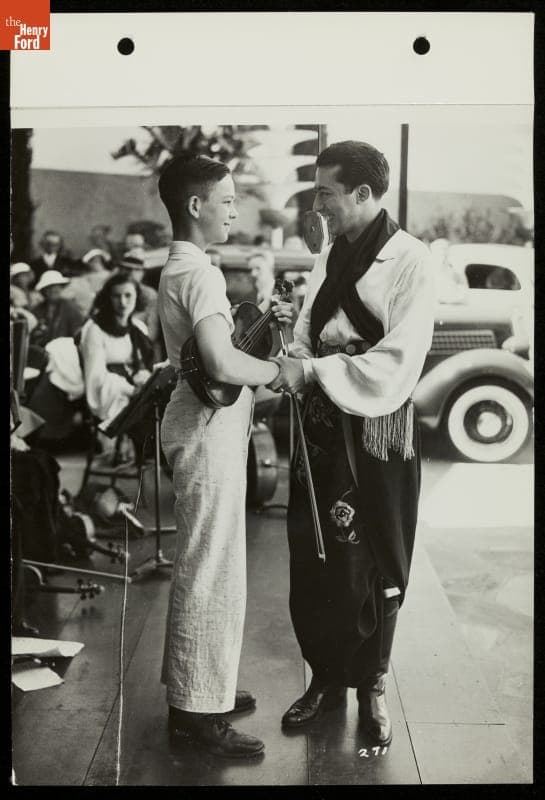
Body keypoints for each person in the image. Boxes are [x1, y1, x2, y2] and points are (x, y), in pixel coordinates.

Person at [269, 141, 435, 746]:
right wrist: (298, 355)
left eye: (325, 194)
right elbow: (313, 329)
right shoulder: (331, 253)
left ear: (363, 194)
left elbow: (399, 359)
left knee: (374, 557)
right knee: (316, 551)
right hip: (321, 426)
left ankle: (372, 687)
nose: (318, 206)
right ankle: (326, 677)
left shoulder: (409, 259)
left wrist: (312, 371)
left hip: (377, 427)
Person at [157, 154, 292, 758]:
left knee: (212, 563)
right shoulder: (202, 275)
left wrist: (266, 336)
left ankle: (202, 688)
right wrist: (280, 368)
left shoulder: (180, 269)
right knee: (209, 567)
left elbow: (219, 358)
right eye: (228, 199)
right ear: (195, 205)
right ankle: (195, 713)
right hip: (206, 430)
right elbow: (220, 364)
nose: (236, 209)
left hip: (206, 425)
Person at [30, 270, 86, 349]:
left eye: (56, 286)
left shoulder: (71, 308)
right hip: (42, 353)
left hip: (65, 352)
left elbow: (78, 335)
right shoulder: (37, 310)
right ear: (43, 290)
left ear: (61, 288)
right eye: (49, 287)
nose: (53, 290)